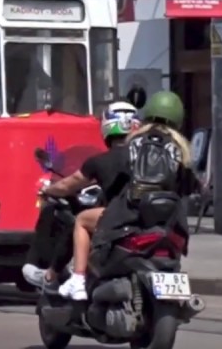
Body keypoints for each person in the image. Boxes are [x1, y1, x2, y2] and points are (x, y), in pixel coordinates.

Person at [58, 91, 198, 300]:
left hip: (132, 216)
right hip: (170, 223)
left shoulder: (134, 143)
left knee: (81, 220)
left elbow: (119, 171)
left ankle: (78, 279)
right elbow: (191, 187)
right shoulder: (181, 150)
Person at [25, 102, 140, 289]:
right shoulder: (148, 158)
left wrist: (47, 190)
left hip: (121, 218)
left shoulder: (100, 162)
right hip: (153, 219)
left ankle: (63, 277)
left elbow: (66, 185)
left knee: (80, 221)